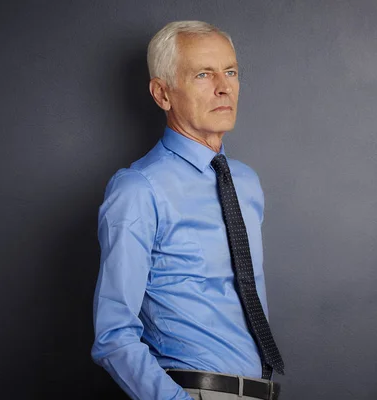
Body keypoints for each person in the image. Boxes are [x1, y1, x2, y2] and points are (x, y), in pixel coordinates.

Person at [91, 21, 283, 400]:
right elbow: (113, 335)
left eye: (230, 72)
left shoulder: (245, 183)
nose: (224, 86)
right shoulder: (138, 189)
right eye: (203, 74)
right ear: (162, 93)